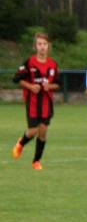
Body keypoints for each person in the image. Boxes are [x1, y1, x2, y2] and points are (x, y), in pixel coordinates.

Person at [10, 33, 61, 170]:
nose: (42, 47)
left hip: (46, 103)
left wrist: (49, 86)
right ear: (35, 46)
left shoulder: (53, 64)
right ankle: (21, 143)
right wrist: (31, 86)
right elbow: (17, 79)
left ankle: (36, 161)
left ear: (48, 46)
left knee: (43, 131)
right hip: (32, 102)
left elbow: (58, 84)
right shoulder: (29, 62)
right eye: (39, 44)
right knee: (33, 131)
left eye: (44, 44)